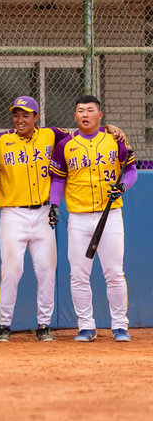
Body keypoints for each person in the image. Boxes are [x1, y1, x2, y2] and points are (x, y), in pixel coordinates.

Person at [49, 95, 136, 342]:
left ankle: (120, 325)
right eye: (80, 111)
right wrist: (54, 205)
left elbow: (129, 171)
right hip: (78, 217)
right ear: (74, 116)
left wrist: (123, 187)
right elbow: (58, 179)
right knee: (78, 274)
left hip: (110, 215)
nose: (85, 114)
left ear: (100, 115)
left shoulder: (114, 140)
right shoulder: (65, 144)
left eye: (90, 110)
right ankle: (86, 326)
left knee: (114, 272)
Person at [0, 96, 67, 342]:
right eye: (17, 115)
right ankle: (5, 326)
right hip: (13, 213)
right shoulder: (1, 141)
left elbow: (82, 137)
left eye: (26, 115)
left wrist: (109, 131)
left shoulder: (51, 135)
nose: (20, 120)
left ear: (36, 117)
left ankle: (44, 325)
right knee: (11, 270)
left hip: (42, 212)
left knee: (46, 270)